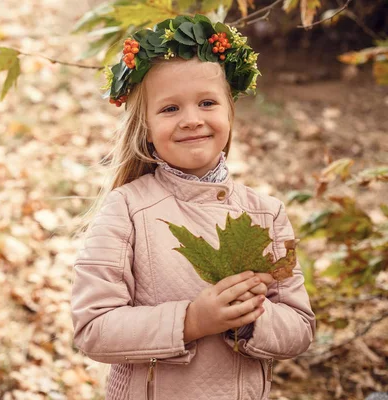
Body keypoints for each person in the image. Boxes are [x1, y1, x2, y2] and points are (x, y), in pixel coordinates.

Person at [70, 14, 316, 400]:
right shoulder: (128, 209)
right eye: (170, 109)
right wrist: (191, 321)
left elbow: (300, 327)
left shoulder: (266, 213)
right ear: (145, 127)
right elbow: (93, 328)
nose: (191, 120)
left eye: (207, 102)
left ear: (229, 114)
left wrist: (251, 322)